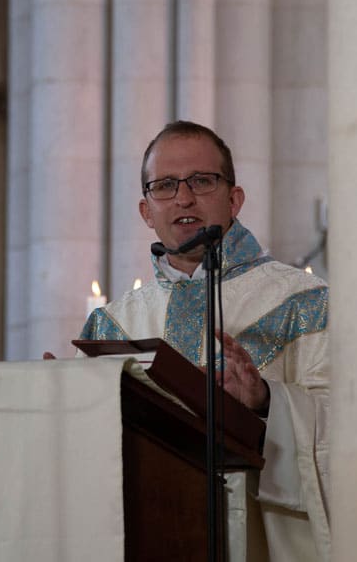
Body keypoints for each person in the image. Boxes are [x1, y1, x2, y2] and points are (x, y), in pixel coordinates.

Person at [77, 120, 330, 561]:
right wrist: (65, 399)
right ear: (145, 211)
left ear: (234, 199)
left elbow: (342, 425)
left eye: (201, 181)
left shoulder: (304, 301)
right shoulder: (113, 324)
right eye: (165, 185)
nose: (183, 197)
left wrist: (266, 400)